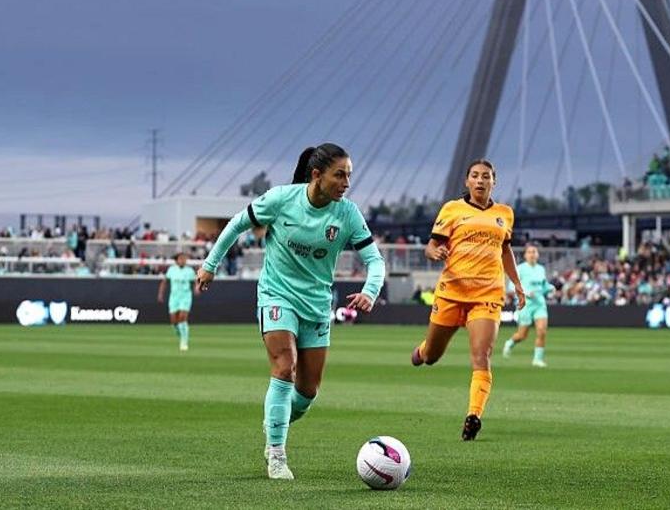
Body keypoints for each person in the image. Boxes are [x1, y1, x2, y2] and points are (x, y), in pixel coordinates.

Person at [197, 142, 384, 481]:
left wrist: (370, 291)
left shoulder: (348, 213)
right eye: (339, 175)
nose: (346, 183)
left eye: (349, 176)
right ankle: (277, 455)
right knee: (285, 367)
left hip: (316, 305)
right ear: (317, 175)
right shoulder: (282, 199)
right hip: (276, 295)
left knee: (308, 391)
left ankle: (274, 422)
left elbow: (374, 260)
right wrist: (210, 264)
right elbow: (237, 223)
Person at [410, 159, 526, 441]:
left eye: (486, 176)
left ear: (493, 182)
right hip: (452, 292)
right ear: (467, 181)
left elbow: (505, 251)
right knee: (432, 356)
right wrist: (434, 253)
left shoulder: (505, 214)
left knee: (481, 355)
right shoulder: (452, 209)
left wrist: (517, 284)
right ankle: (424, 350)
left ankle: (474, 416)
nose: (480, 180)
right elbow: (432, 246)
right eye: (475, 175)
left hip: (487, 294)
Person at [502, 244, 551, 367]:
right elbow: (511, 286)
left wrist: (551, 288)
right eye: (529, 252)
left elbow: (544, 285)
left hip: (539, 304)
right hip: (525, 304)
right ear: (525, 255)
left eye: (534, 252)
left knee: (542, 331)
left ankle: (537, 359)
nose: (532, 254)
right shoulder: (520, 268)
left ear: (538, 254)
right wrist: (527, 293)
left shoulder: (541, 269)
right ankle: (510, 343)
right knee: (522, 335)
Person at [157, 253, 198, 351]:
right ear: (176, 260)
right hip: (174, 297)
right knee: (174, 321)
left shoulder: (190, 271)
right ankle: (181, 333)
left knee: (182, 317)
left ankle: (184, 341)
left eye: (184, 259)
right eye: (181, 259)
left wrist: (196, 288)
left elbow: (195, 282)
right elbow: (164, 282)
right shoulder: (171, 270)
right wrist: (160, 294)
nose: (183, 260)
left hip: (185, 297)